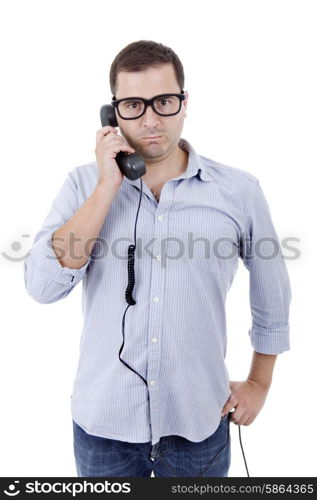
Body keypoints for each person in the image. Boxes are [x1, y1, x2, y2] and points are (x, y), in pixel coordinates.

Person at [24, 40, 292, 477]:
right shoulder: (82, 186)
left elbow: (272, 291)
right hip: (103, 427)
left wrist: (259, 382)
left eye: (164, 101)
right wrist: (107, 187)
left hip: (199, 422)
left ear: (185, 104)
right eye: (133, 105)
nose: (150, 119)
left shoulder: (239, 191)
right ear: (112, 114)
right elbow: (42, 286)